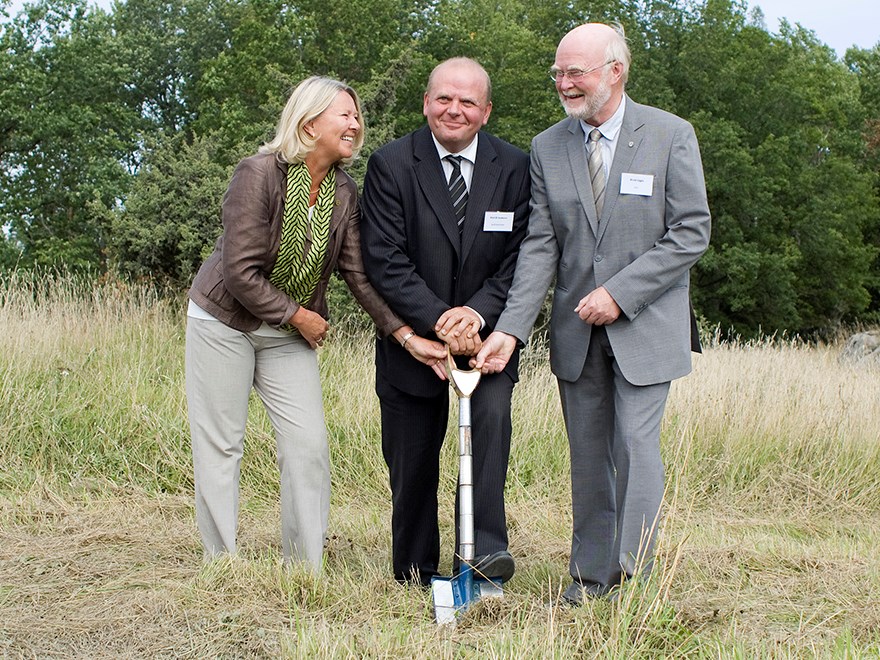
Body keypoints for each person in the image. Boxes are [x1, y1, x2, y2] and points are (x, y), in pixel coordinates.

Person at [474, 23, 711, 603]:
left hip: (647, 327)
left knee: (634, 446)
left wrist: (620, 293)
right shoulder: (549, 145)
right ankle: (590, 580)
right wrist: (510, 329)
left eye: (576, 71)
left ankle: (634, 581)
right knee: (587, 459)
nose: (565, 83)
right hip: (577, 334)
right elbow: (540, 245)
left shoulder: (671, 135)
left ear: (615, 71)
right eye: (558, 72)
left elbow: (690, 233)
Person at [185, 76, 434, 571]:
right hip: (224, 322)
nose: (355, 123)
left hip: (286, 333)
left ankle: (305, 567)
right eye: (344, 114)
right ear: (308, 121)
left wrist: (406, 336)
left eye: (356, 116)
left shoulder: (343, 190)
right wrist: (300, 315)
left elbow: (359, 274)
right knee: (222, 444)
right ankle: (222, 564)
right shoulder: (258, 174)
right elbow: (239, 272)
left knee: (309, 444)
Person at [360, 57, 531, 586]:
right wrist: (439, 319)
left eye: (467, 102)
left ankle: (483, 560)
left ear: (486, 111)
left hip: (489, 346)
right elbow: (383, 258)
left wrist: (476, 315)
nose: (453, 109)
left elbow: (522, 257)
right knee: (411, 465)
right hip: (413, 347)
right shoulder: (390, 164)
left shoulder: (517, 167)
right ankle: (414, 569)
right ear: (426, 102)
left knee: (486, 444)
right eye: (443, 98)